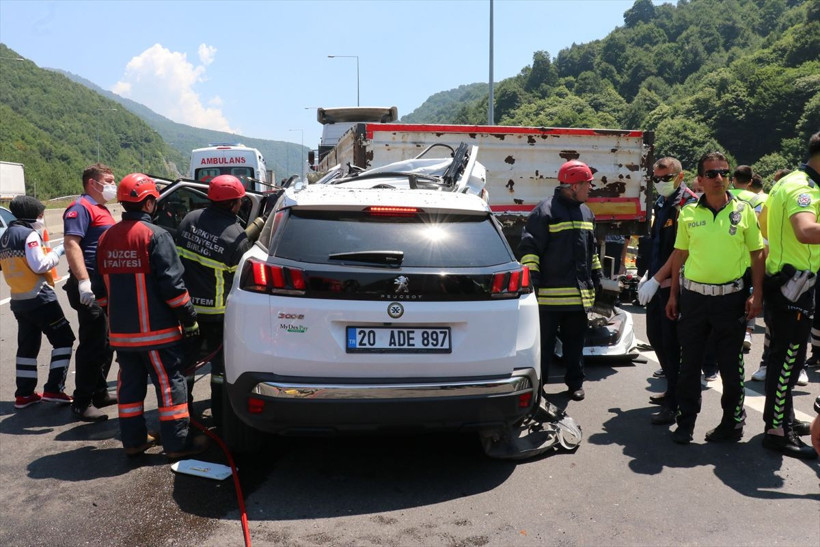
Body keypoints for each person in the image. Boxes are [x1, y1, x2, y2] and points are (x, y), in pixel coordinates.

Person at [97, 173, 207, 459]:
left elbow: (100, 291)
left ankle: (133, 442)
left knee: (129, 389)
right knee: (171, 386)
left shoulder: (107, 237)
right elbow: (173, 287)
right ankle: (176, 444)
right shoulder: (156, 236)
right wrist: (189, 318)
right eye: (153, 201)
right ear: (147, 203)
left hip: (122, 335)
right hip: (157, 333)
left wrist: (115, 315)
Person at [665, 151, 765, 445]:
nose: (719, 178)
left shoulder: (744, 211)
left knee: (732, 369)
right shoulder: (689, 213)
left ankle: (732, 425)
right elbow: (679, 255)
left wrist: (757, 295)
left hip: (730, 300)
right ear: (700, 180)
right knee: (689, 366)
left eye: (724, 172)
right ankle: (685, 423)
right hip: (694, 299)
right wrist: (673, 294)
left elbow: (757, 253)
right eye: (711, 174)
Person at [757, 132, 820, 459]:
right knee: (788, 361)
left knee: (787, 357)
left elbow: (765, 226)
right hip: (793, 285)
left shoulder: (786, 182)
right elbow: (806, 230)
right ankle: (777, 432)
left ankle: (781, 418)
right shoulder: (804, 189)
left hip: (785, 280)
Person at [519, 159, 603, 401]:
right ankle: (539, 389)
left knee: (575, 345)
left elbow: (592, 251)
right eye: (587, 184)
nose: (590, 188)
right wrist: (532, 280)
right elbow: (529, 249)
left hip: (578, 298)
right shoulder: (544, 211)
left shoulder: (587, 212)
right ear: (574, 185)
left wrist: (596, 277)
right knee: (543, 347)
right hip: (548, 298)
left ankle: (575, 383)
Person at [175, 174, 251, 425]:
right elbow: (237, 280)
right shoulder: (237, 236)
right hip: (217, 315)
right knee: (219, 371)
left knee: (186, 365)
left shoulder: (188, 220)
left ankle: (182, 414)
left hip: (185, 309)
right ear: (233, 204)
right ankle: (220, 418)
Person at [637, 157, 698, 425]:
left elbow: (681, 250)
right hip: (657, 281)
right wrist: (646, 275)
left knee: (673, 345)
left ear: (679, 176)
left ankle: (676, 402)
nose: (660, 183)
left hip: (677, 286)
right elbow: (656, 242)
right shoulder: (662, 203)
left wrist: (658, 278)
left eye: (665, 178)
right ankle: (671, 389)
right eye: (656, 179)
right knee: (655, 336)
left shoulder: (688, 204)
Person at [0, 196, 75, 409]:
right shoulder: (29, 234)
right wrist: (58, 251)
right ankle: (54, 389)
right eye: (40, 214)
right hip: (40, 297)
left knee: (28, 346)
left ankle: (24, 394)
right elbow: (40, 265)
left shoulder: (5, 237)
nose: (42, 217)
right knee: (63, 339)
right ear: (32, 214)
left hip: (18, 299)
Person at [62, 163, 117, 421]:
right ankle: (82, 402)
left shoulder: (100, 208)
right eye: (108, 180)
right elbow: (72, 244)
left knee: (106, 343)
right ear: (92, 183)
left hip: (104, 285)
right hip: (90, 286)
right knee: (92, 343)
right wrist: (83, 281)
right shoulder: (80, 208)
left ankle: (99, 392)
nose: (112, 185)